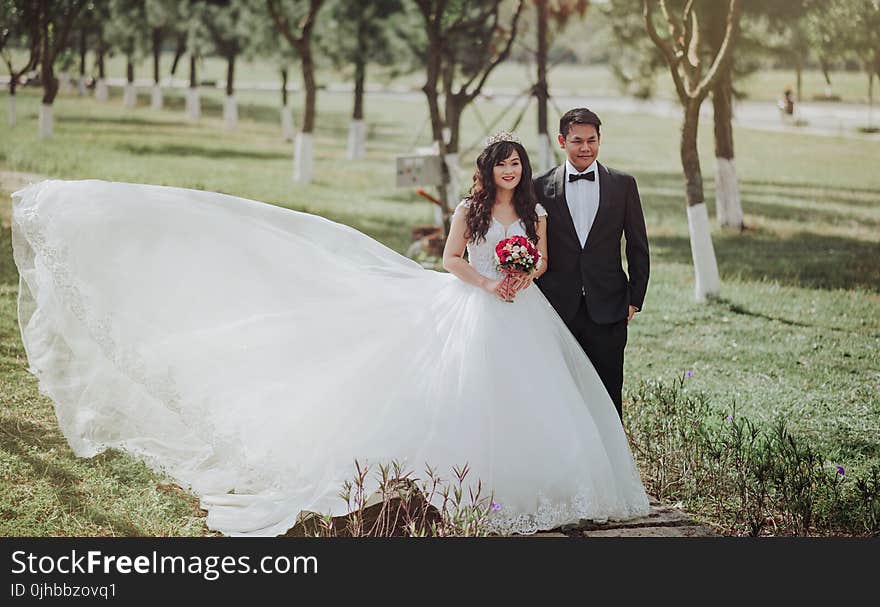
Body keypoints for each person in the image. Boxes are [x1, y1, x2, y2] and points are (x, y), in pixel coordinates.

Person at [10, 134, 649, 537]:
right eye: (502, 163)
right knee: (465, 394)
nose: (511, 171)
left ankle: (537, 489)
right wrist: (488, 284)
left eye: (517, 163)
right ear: (490, 168)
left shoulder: (534, 209)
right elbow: (452, 260)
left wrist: (522, 274)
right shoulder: (469, 211)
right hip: (476, 306)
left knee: (536, 401)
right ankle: (459, 490)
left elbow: (540, 260)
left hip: (524, 312)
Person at [534, 108, 650, 419]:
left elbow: (638, 246)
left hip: (610, 308)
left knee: (609, 392)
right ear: (562, 141)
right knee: (560, 392)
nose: (585, 148)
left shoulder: (623, 184)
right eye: (577, 141)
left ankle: (611, 464)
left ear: (599, 140)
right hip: (556, 308)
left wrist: (634, 301)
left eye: (592, 140)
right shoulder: (538, 187)